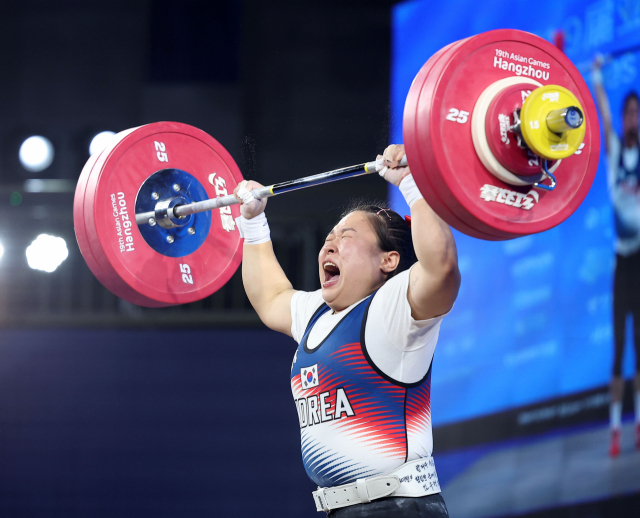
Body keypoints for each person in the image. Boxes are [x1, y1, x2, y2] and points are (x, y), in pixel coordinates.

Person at [233, 144, 460, 516]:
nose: (329, 244)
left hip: (399, 508)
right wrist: (254, 224)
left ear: (388, 260)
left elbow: (442, 269)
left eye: (346, 236)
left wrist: (412, 185)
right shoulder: (318, 314)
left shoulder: (394, 309)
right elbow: (270, 297)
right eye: (329, 237)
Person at [593, 58, 640, 457]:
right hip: (622, 262)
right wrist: (596, 76)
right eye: (628, 112)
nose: (631, 118)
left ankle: (638, 424)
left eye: (636, 112)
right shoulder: (614, 157)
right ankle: (614, 430)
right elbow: (604, 116)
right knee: (619, 348)